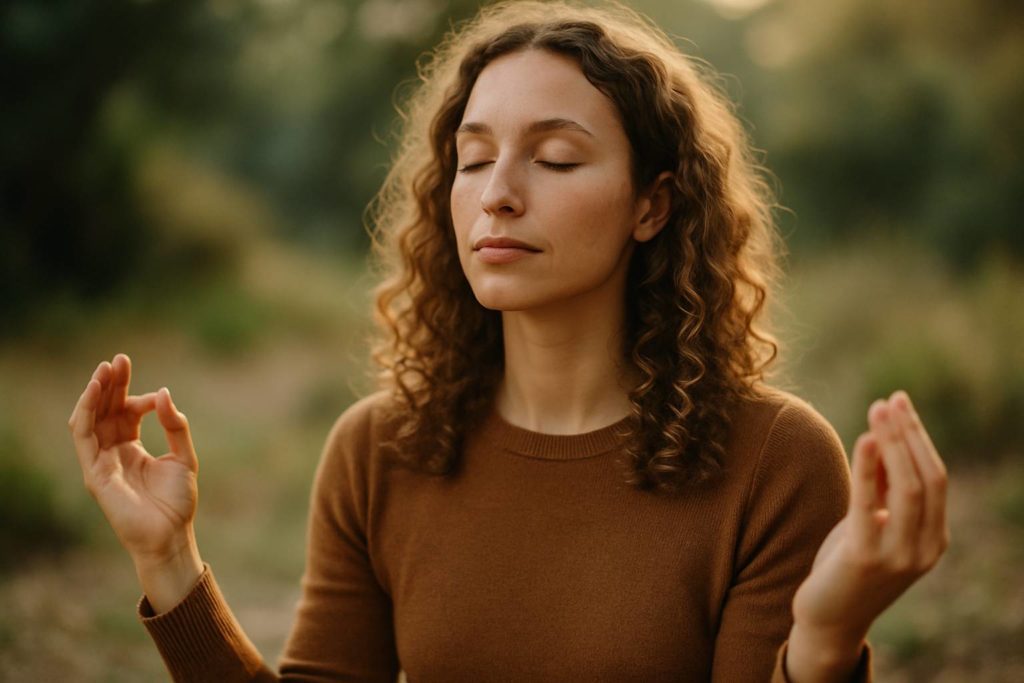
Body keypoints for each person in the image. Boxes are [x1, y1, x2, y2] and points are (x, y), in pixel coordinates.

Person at [67, 1, 950, 681]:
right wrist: (167, 559)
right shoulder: (379, 449)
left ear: (655, 204)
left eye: (556, 159)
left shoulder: (776, 460)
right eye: (475, 156)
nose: (497, 193)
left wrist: (827, 640)